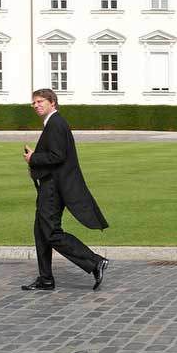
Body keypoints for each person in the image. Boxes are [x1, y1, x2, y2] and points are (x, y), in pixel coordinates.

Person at [21, 87, 107, 291]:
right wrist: (36, 162)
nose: (36, 105)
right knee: (41, 232)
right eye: (34, 103)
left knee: (50, 233)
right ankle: (46, 279)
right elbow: (54, 155)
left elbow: (57, 156)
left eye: (40, 101)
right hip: (51, 185)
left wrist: (33, 158)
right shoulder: (53, 123)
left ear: (52, 102)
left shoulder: (56, 123)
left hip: (53, 188)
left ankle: (95, 261)